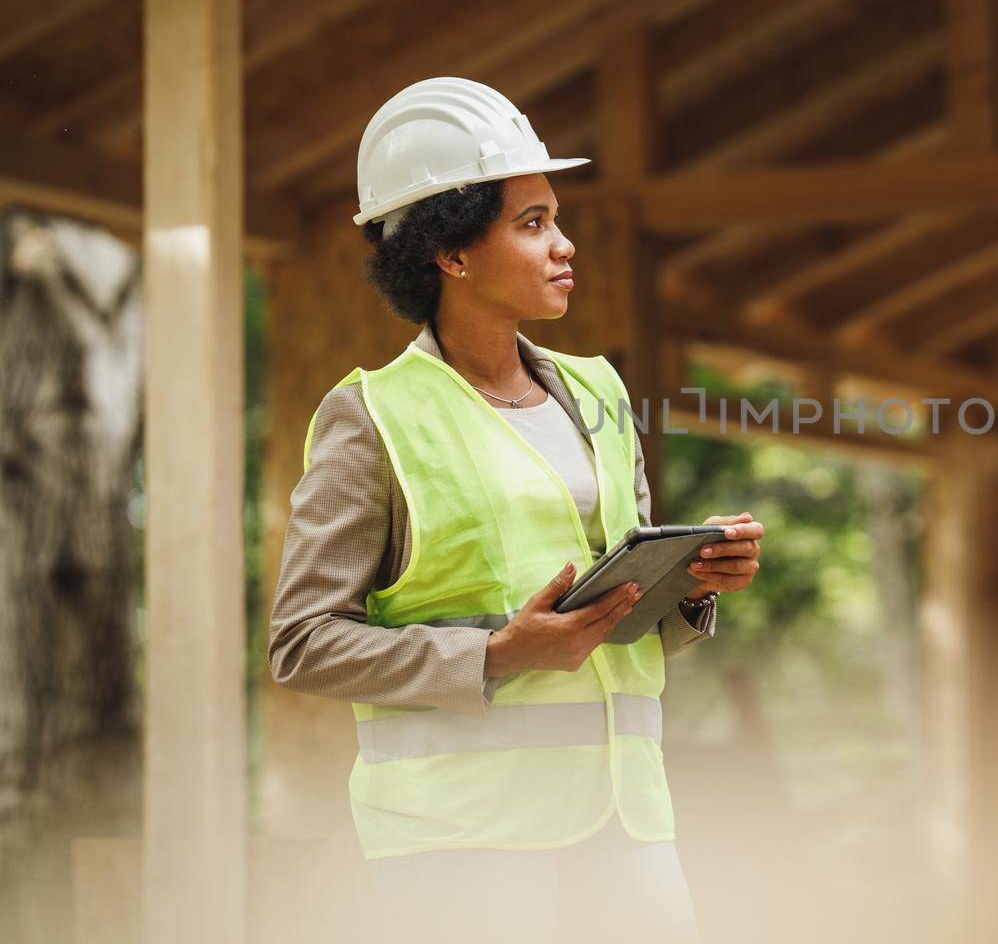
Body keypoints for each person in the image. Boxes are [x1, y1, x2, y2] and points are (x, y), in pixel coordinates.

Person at [267, 77, 764, 942]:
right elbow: (302, 643)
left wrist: (689, 585)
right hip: (462, 846)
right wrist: (494, 656)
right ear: (450, 253)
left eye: (556, 218)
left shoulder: (597, 391)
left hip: (630, 822)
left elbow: (618, 627)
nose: (565, 246)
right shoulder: (373, 418)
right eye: (532, 225)